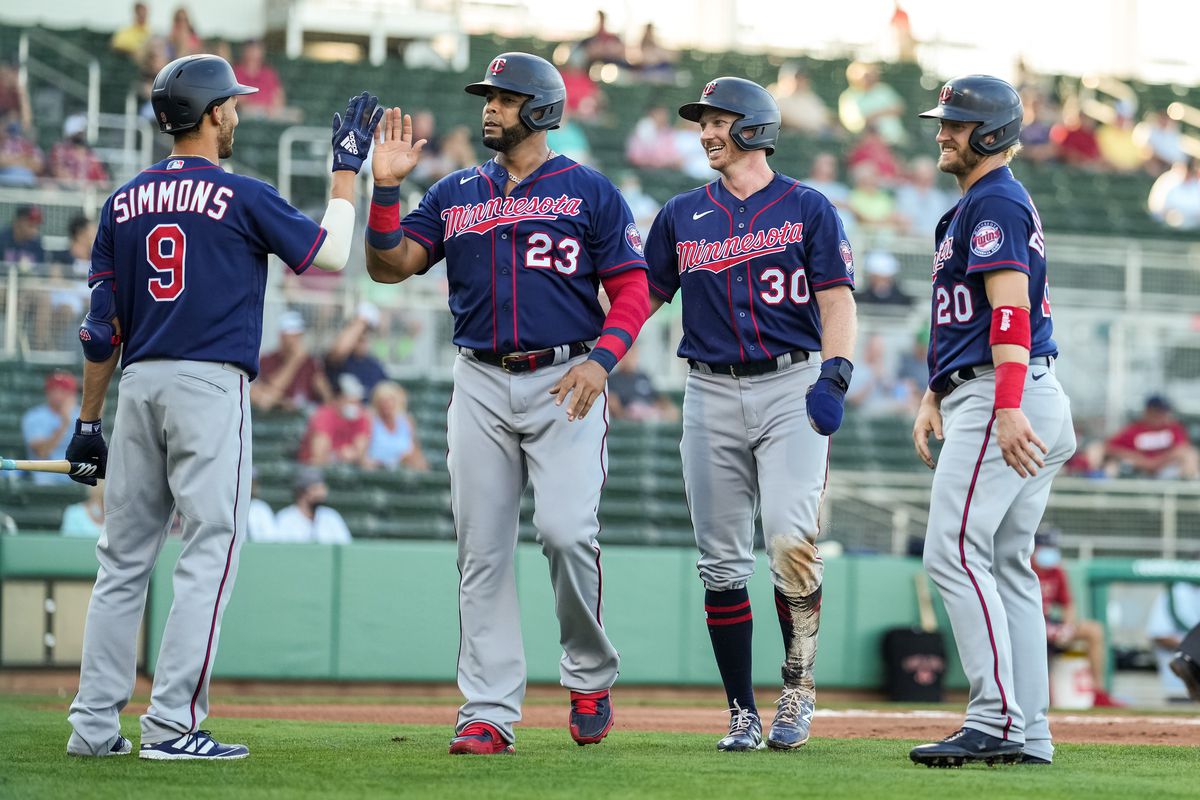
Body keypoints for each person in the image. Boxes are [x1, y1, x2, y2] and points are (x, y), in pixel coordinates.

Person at [64, 54, 377, 759]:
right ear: (211, 114)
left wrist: (88, 421)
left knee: (121, 561)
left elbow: (97, 329)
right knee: (211, 548)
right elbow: (327, 258)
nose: (235, 111)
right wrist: (345, 172)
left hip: (137, 386)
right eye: (230, 103)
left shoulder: (120, 203)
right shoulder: (240, 195)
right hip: (208, 386)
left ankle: (92, 729)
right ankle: (173, 724)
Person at [364, 52, 651, 754]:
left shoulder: (589, 190)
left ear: (543, 109)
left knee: (564, 531)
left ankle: (588, 674)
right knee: (481, 549)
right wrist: (385, 193)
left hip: (566, 379)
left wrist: (601, 361)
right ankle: (488, 711)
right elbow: (391, 265)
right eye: (487, 97)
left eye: (505, 98)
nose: (489, 107)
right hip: (482, 380)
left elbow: (634, 290)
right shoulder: (457, 191)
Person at [644, 77, 857, 752]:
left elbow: (838, 300)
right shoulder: (682, 213)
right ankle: (741, 711)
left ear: (756, 127)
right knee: (720, 561)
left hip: (790, 384)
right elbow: (638, 296)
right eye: (702, 122)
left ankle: (796, 688)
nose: (706, 131)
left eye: (719, 120)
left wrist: (837, 372)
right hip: (708, 391)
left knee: (792, 540)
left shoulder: (808, 207)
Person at [909, 76, 1076, 768]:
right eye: (944, 121)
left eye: (957, 123)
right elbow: (970, 316)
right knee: (1006, 564)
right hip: (1004, 388)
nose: (943, 132)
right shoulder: (980, 203)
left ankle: (998, 717)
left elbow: (1009, 312)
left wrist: (1004, 403)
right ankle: (1028, 732)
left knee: (950, 551)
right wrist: (936, 390)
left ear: (992, 133)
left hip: (1006, 393)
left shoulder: (996, 201)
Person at [1030, 525, 1123, 707]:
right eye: (1045, 547)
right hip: (1028, 627)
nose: (1050, 552)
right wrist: (1046, 630)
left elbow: (1068, 605)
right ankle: (1042, 698)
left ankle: (1098, 692)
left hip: (1049, 623)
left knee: (1094, 630)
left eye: (1052, 547)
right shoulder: (1024, 569)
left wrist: (1066, 627)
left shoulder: (1056, 571)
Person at [251, 310, 333, 413]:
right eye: (292, 336)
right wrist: (294, 361)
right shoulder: (268, 360)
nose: (296, 340)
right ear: (281, 336)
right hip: (276, 414)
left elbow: (324, 392)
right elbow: (272, 390)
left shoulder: (310, 361)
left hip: (304, 414)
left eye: (298, 335)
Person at [1104, 394, 1200, 479]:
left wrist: (1156, 463)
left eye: (1163, 411)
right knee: (1111, 463)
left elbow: (1182, 449)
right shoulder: (1134, 429)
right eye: (1157, 411)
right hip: (1136, 470)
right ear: (1148, 411)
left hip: (1167, 470)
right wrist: (1142, 461)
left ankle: (1187, 494)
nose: (1160, 415)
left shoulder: (1174, 429)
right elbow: (1109, 447)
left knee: (1191, 455)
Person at [22, 371, 80, 486]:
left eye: (63, 391)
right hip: (47, 475)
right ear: (47, 392)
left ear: (72, 395)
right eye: (53, 390)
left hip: (78, 475)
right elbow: (42, 452)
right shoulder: (34, 416)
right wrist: (64, 424)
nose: (57, 395)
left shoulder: (82, 416)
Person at [298, 373, 371, 466]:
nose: (355, 404)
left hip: (347, 468)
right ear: (337, 399)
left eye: (357, 400)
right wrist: (338, 455)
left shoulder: (361, 416)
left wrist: (353, 455)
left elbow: (361, 449)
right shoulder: (324, 415)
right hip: (313, 468)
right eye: (350, 400)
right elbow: (318, 455)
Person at [1146, 582, 1200, 702]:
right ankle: (1189, 658)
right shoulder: (1177, 591)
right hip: (1177, 690)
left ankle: (1188, 657)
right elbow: (1159, 635)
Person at [273, 466, 352, 544]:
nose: (322, 493)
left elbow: (346, 547)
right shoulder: (285, 518)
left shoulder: (331, 516)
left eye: (323, 488)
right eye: (316, 489)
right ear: (301, 492)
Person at [325, 301, 389, 395]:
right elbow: (339, 351)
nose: (363, 335)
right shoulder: (341, 361)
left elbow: (388, 392)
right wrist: (360, 322)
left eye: (368, 331)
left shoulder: (375, 366)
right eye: (360, 332)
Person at [363, 380, 429, 471]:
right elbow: (363, 452)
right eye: (383, 401)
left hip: (402, 470)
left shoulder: (407, 422)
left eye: (390, 400)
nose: (387, 404)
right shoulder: (370, 420)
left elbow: (416, 452)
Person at [606, 344, 678, 422]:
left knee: (672, 412)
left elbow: (657, 397)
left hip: (649, 414)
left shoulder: (643, 376)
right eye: (626, 355)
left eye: (632, 354)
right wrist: (623, 414)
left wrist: (665, 406)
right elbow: (612, 401)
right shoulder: (612, 379)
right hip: (628, 415)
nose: (629, 358)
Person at [48, 113, 110, 187]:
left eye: (83, 132)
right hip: (65, 192)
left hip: (88, 193)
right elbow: (59, 172)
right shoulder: (60, 150)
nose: (82, 135)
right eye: (79, 133)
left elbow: (102, 180)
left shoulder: (90, 155)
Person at [0, 203, 46, 268]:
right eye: (31, 226)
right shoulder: (2, 239)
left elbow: (40, 271)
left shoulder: (36, 243)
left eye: (37, 227)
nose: (35, 231)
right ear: (18, 222)